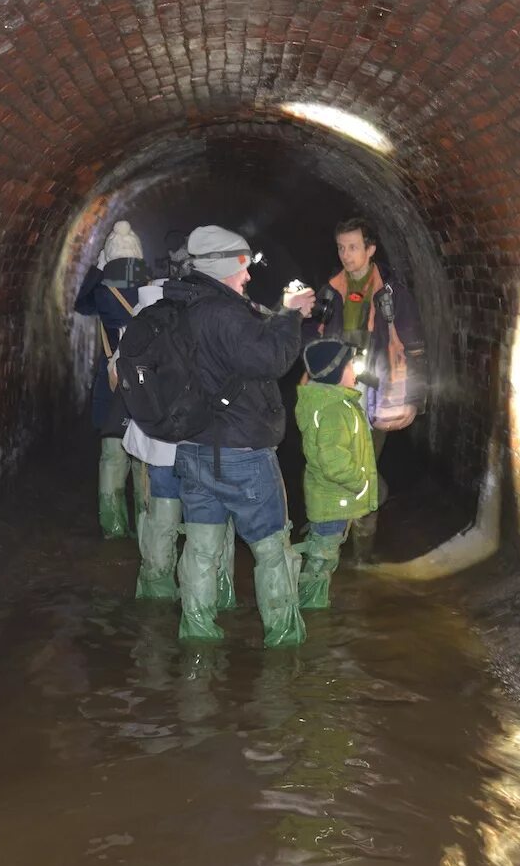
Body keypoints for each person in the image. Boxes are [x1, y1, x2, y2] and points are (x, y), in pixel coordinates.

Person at [167, 224, 315, 646]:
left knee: (200, 547)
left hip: (194, 448)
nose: (248, 275)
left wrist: (278, 312)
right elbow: (270, 359)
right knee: (271, 549)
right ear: (227, 266)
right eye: (244, 266)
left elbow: (237, 344)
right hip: (242, 453)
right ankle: (284, 640)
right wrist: (290, 317)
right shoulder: (224, 313)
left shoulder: (185, 304)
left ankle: (196, 634)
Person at [309, 217, 426, 547]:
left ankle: (363, 547)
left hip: (376, 394)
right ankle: (334, 538)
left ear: (370, 249)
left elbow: (414, 348)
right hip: (335, 396)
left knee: (364, 468)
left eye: (353, 247)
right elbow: (310, 339)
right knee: (335, 465)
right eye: (341, 247)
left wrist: (413, 399)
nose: (345, 255)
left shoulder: (393, 295)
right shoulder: (330, 291)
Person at [123, 274, 236, 608]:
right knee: (209, 519)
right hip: (196, 441)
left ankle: (156, 591)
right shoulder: (189, 326)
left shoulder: (137, 326)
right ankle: (214, 597)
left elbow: (122, 380)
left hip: (155, 444)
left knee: (161, 515)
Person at [72, 221, 146, 538]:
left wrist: (98, 269)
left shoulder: (103, 294)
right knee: (145, 459)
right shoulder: (151, 290)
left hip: (112, 383)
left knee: (112, 456)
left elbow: (81, 304)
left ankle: (113, 523)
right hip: (146, 387)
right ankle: (148, 524)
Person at [293, 338, 379, 610]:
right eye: (350, 365)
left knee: (324, 551)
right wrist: (360, 482)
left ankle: (312, 600)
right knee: (322, 558)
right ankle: (311, 607)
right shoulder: (333, 410)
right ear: (334, 373)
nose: (356, 369)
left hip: (333, 499)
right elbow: (333, 461)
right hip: (333, 499)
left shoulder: (336, 403)